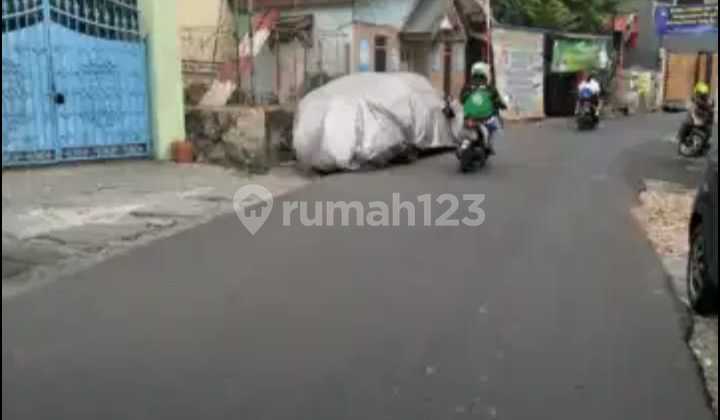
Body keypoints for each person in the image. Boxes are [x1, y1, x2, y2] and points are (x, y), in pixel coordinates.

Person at [460, 62, 507, 154]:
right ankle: (489, 144)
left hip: (469, 116)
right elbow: (497, 100)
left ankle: (464, 144)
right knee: (494, 124)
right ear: (486, 73)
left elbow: (462, 99)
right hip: (484, 117)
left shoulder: (468, 86)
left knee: (463, 125)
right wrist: (502, 105)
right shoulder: (490, 88)